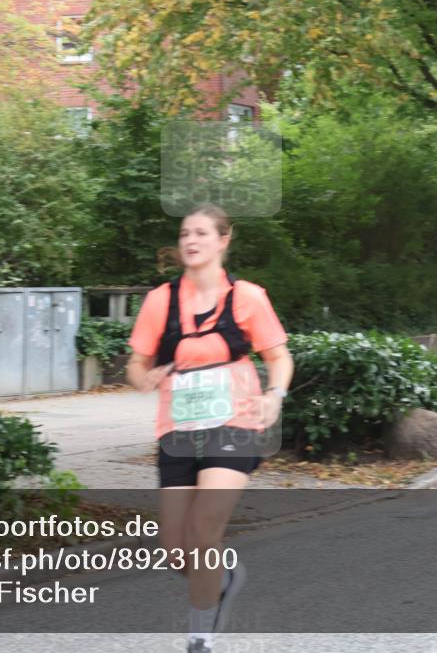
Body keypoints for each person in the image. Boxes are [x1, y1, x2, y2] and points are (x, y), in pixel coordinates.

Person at [127, 203, 294, 653]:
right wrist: (144, 377)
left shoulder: (248, 297)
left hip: (233, 423)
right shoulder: (160, 300)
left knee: (205, 532)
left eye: (201, 233)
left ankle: (200, 636)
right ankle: (221, 579)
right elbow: (137, 364)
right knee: (177, 550)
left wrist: (273, 397)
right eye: (184, 234)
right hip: (178, 429)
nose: (191, 241)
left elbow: (279, 357)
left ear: (224, 239)